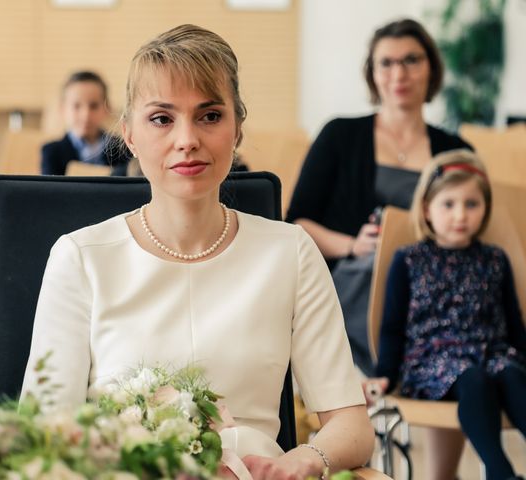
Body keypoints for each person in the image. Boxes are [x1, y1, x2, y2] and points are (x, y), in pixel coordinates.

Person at [22, 24, 374, 479]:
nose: (187, 139)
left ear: (237, 129)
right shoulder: (81, 257)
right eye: (162, 119)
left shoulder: (290, 252)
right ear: (128, 134)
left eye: (209, 116)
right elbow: (43, 433)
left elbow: (350, 423)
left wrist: (305, 459)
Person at [286, 18, 472, 377]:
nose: (398, 74)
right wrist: (354, 245)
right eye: (386, 63)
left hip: (433, 285)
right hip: (357, 279)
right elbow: (298, 222)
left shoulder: (456, 150)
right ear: (372, 74)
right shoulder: (340, 135)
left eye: (411, 60)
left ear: (430, 68)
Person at [366, 150, 526, 480]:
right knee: (472, 377)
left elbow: (513, 323)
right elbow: (393, 326)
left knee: (511, 373)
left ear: (485, 208)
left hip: (490, 353)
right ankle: (501, 471)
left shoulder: (495, 259)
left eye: (471, 204)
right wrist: (385, 374)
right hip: (432, 361)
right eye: (448, 204)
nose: (460, 215)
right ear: (427, 208)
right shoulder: (409, 260)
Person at [41, 70, 131, 176]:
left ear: (107, 107)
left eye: (94, 106)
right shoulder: (52, 152)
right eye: (77, 106)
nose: (86, 115)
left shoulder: (123, 148)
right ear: (63, 109)